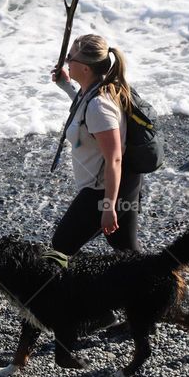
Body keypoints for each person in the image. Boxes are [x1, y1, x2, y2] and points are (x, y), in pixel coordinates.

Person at [50, 34, 143, 256]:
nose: (65, 61)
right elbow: (83, 106)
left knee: (61, 247)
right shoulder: (96, 90)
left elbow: (115, 157)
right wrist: (66, 85)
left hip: (103, 192)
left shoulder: (99, 106)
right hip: (124, 186)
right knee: (127, 252)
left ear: (85, 68)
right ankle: (151, 287)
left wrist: (109, 206)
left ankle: (75, 289)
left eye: (69, 57)